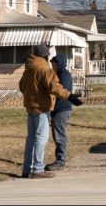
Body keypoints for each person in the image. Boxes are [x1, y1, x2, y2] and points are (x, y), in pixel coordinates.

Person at [19, 44, 81, 179]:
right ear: (45, 56)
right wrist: (69, 96)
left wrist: (32, 96)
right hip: (42, 109)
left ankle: (27, 169)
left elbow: (21, 86)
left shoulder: (28, 68)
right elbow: (54, 87)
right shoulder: (44, 68)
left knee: (30, 138)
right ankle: (37, 169)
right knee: (40, 138)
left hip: (30, 108)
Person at [47, 54, 74, 171]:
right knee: (56, 134)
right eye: (52, 63)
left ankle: (60, 160)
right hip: (57, 110)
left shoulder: (65, 75)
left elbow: (61, 94)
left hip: (62, 110)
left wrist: (53, 108)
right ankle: (59, 159)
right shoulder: (56, 74)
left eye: (55, 64)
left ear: (60, 64)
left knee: (59, 135)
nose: (53, 65)